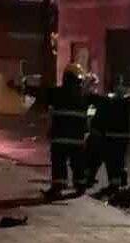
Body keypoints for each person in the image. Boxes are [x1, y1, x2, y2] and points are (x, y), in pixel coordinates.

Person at [23, 63, 91, 200]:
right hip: (77, 138)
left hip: (60, 136)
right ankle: (80, 186)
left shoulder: (57, 92)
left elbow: (39, 92)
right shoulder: (85, 96)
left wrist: (22, 88)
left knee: (59, 163)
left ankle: (57, 188)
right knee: (77, 163)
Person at [86, 83, 130, 195]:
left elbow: (93, 103)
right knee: (119, 160)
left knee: (110, 161)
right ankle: (117, 183)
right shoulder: (128, 103)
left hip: (110, 135)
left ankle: (113, 184)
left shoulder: (107, 101)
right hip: (122, 136)